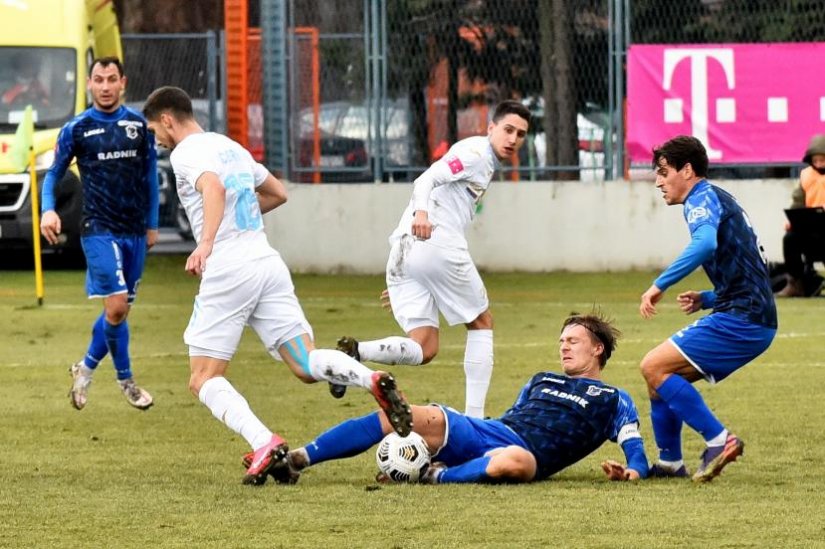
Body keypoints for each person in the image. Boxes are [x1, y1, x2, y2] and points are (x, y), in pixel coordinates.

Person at [140, 86, 412, 486]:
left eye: (154, 130)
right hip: (266, 261)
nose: (156, 140)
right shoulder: (229, 146)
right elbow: (277, 193)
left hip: (230, 267)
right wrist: (236, 217)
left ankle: (263, 440)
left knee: (202, 377)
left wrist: (207, 242)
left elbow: (212, 189)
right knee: (304, 364)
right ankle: (368, 379)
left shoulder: (186, 152)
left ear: (167, 119)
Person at [265, 312, 649, 485]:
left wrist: (632, 472)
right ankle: (300, 458)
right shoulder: (540, 379)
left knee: (514, 461)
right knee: (404, 416)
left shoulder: (614, 399)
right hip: (490, 433)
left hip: (527, 457)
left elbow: (636, 452)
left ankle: (438, 475)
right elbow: (512, 418)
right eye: (561, 341)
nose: (563, 347)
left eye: (573, 341)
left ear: (597, 349)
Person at [332, 100, 531, 419]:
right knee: (481, 322)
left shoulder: (485, 161)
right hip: (432, 239)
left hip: (405, 252)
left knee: (425, 347)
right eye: (508, 130)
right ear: (491, 127)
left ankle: (356, 353)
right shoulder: (476, 153)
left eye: (520, 134)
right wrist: (422, 214)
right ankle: (475, 419)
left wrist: (416, 273)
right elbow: (425, 180)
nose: (513, 139)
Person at [639, 135, 777, 483]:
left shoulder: (700, 198)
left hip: (744, 319)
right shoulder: (719, 198)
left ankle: (720, 440)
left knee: (652, 366)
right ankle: (670, 464)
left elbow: (704, 243)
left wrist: (659, 285)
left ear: (687, 170)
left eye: (664, 172)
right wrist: (707, 298)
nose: (658, 181)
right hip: (748, 313)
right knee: (661, 379)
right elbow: (753, 271)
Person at [40, 57, 158, 411]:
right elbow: (53, 174)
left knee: (116, 313)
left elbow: (150, 177)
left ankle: (85, 369)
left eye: (111, 79)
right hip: (97, 229)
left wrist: (152, 224)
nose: (105, 86)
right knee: (118, 305)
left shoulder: (139, 126)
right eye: (98, 79)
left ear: (123, 82)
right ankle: (127, 381)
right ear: (89, 84)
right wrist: (48, 209)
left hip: (134, 230)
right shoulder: (76, 128)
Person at [775, 134, 825, 297]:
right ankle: (796, 283)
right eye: (815, 160)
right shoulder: (806, 175)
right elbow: (798, 203)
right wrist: (794, 220)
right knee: (790, 238)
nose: (818, 164)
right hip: (811, 228)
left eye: (822, 160)